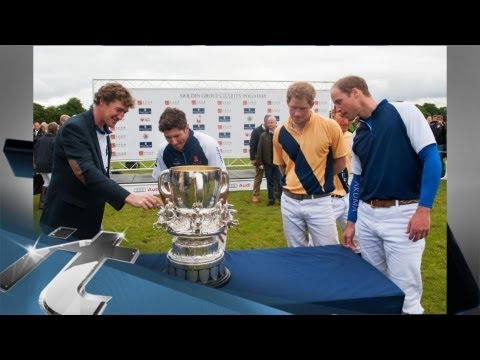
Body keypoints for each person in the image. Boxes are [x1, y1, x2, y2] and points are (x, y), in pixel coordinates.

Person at [331, 75, 442, 314]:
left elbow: (432, 159)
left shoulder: (404, 111)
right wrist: (351, 222)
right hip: (367, 218)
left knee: (407, 296)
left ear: (356, 93)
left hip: (403, 216)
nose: (337, 109)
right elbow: (357, 180)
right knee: (376, 288)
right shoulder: (358, 134)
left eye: (339, 101)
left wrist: (424, 209)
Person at [40, 83, 161, 240]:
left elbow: (101, 173)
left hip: (90, 218)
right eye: (118, 110)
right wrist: (129, 196)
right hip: (65, 220)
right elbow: (85, 171)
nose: (121, 116)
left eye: (124, 112)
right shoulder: (75, 128)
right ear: (102, 101)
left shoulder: (103, 132)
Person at [273, 81, 347, 247]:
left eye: (302, 108)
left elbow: (341, 162)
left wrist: (319, 178)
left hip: (319, 202)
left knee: (327, 252)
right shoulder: (279, 132)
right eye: (293, 107)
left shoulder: (329, 126)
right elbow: (281, 166)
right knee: (296, 254)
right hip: (289, 201)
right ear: (287, 103)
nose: (297, 113)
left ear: (312, 104)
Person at [151, 107, 228, 249]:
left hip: (209, 204)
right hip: (182, 206)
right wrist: (171, 211)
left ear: (186, 128)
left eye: (177, 135)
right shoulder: (164, 149)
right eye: (168, 137)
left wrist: (218, 213)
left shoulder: (207, 144)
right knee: (184, 248)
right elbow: (164, 183)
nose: (173, 141)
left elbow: (222, 180)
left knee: (215, 249)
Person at [256, 115, 283, 206]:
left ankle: (281, 199)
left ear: (276, 123)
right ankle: (271, 199)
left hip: (279, 163)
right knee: (269, 182)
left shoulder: (281, 134)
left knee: (280, 182)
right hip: (268, 163)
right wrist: (259, 162)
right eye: (268, 123)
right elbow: (259, 149)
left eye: (272, 122)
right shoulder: (263, 135)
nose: (270, 124)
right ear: (266, 124)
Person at [33, 122, 59, 209]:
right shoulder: (55, 140)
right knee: (53, 184)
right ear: (56, 130)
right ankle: (50, 203)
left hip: (39, 165)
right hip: (48, 165)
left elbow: (36, 153)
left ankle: (42, 203)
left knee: (47, 182)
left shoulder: (41, 139)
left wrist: (36, 163)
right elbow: (56, 155)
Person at [249, 115, 268, 203]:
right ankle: (255, 195)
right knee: (258, 177)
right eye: (269, 122)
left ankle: (276, 194)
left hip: (270, 158)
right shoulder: (256, 131)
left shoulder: (273, 131)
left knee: (274, 178)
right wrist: (253, 158)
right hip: (259, 159)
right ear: (265, 122)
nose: (270, 124)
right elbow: (252, 145)